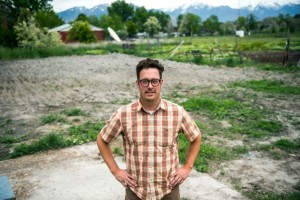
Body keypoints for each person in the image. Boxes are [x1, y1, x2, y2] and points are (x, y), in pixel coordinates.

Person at [97, 58, 202, 200]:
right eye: (144, 81)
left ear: (161, 83)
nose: (150, 86)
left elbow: (195, 137)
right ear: (138, 84)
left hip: (168, 190)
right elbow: (102, 140)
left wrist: (187, 168)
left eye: (155, 81)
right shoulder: (123, 114)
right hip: (136, 192)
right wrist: (115, 170)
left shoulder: (177, 112)